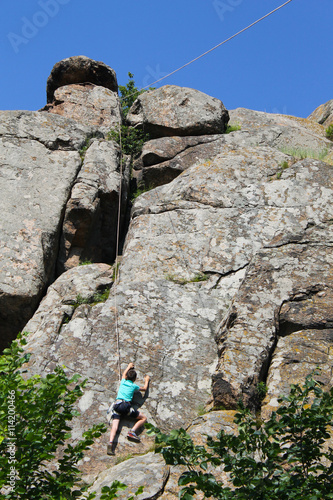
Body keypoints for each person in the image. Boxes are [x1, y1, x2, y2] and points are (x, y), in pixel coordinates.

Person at [107, 362, 150, 456]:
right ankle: (132, 432)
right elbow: (144, 388)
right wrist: (146, 380)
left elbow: (123, 375)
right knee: (143, 418)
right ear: (134, 379)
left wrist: (128, 367)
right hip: (125, 407)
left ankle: (110, 443)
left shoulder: (123, 381)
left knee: (115, 426)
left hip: (117, 406)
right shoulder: (134, 386)